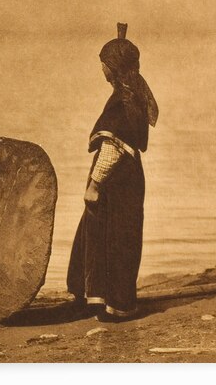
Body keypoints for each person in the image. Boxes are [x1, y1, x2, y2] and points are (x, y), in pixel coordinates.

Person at [66, 22, 158, 322]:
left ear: (113, 68)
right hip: (129, 179)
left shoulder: (122, 102)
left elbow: (112, 148)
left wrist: (94, 184)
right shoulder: (135, 94)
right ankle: (108, 301)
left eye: (103, 64)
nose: (101, 69)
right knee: (120, 237)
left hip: (115, 180)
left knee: (112, 238)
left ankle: (113, 306)